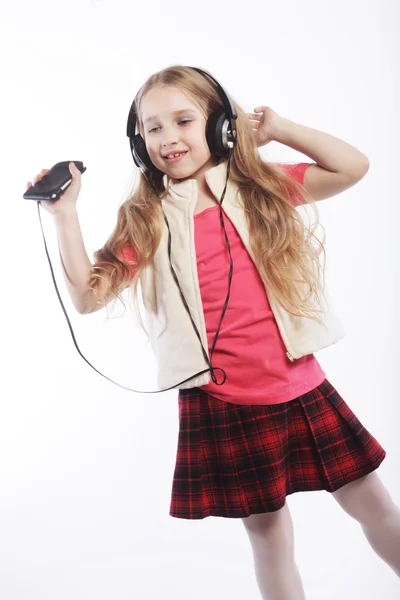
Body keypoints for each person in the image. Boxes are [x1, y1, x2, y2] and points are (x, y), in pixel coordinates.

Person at [27, 65, 400, 600]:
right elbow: (88, 296)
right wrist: (65, 215)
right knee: (269, 537)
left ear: (221, 125)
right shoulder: (146, 217)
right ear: (139, 142)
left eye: (183, 120)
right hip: (221, 398)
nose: (169, 137)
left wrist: (279, 128)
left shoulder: (262, 188)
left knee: (374, 504)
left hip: (300, 385)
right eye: (152, 128)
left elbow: (352, 167)